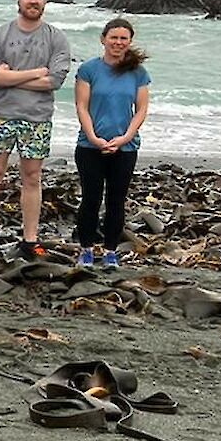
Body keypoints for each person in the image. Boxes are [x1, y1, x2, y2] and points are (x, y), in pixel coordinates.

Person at [0, 0, 72, 260]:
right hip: (1, 115)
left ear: (45, 0)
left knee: (32, 177)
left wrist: (10, 77)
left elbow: (54, 81)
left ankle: (30, 239)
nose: (33, 1)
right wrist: (33, 72)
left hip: (37, 117)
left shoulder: (56, 37)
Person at [74, 18, 150, 268]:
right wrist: (94, 137)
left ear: (129, 42)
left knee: (116, 200)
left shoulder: (138, 73)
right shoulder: (89, 70)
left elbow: (140, 110)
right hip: (90, 146)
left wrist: (126, 137)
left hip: (125, 148)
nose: (118, 42)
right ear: (103, 39)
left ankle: (110, 251)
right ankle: (86, 250)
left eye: (123, 38)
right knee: (91, 199)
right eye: (113, 37)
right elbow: (82, 107)